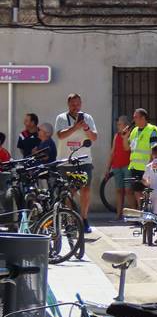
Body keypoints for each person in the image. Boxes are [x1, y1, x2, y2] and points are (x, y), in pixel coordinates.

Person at [54, 93, 99, 232]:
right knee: (69, 192)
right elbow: (61, 135)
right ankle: (70, 220)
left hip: (84, 161)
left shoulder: (88, 118)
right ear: (68, 104)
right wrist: (75, 127)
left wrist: (85, 127)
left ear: (81, 104)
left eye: (78, 104)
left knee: (85, 190)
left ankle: (84, 218)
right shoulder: (61, 118)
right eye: (73, 104)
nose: (76, 107)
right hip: (65, 162)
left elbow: (94, 137)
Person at [127, 109, 157, 205]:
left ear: (143, 118)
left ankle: (148, 213)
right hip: (135, 167)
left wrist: (150, 166)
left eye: (136, 117)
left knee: (147, 192)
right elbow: (127, 147)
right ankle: (141, 213)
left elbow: (154, 150)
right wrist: (125, 136)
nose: (134, 120)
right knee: (137, 191)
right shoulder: (134, 131)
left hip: (146, 167)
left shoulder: (151, 130)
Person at [105, 116, 132, 218]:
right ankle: (118, 214)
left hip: (127, 166)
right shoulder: (116, 136)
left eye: (120, 124)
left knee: (129, 191)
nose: (118, 126)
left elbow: (128, 149)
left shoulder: (130, 136)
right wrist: (108, 168)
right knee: (119, 190)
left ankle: (134, 213)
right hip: (117, 166)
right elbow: (112, 153)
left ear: (126, 125)